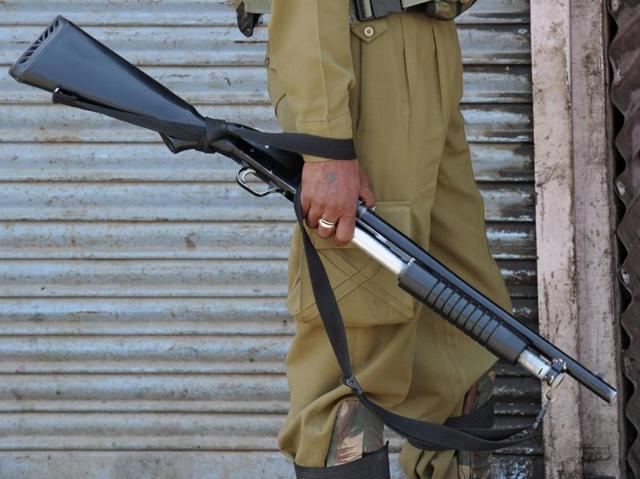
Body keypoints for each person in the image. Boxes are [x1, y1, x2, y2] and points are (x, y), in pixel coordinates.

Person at [264, 1, 512, 477]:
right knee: (354, 356)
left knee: (465, 327)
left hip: (427, 41)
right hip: (362, 52)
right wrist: (325, 141)